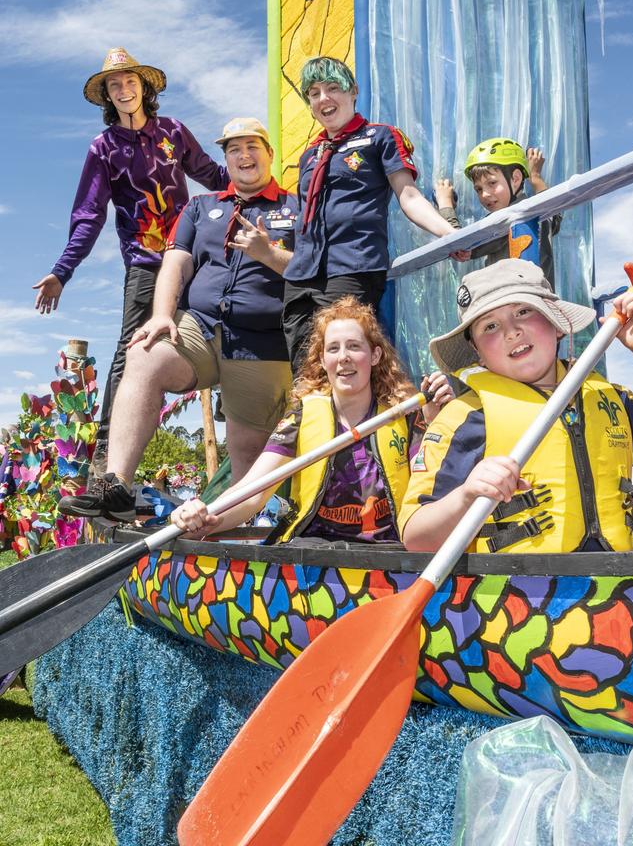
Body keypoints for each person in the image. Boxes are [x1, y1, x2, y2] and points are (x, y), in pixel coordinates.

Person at [59, 118, 296, 522]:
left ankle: (237, 539)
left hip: (261, 344)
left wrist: (268, 254)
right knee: (144, 354)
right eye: (233, 149)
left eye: (252, 146)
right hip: (198, 329)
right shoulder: (202, 207)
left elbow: (310, 272)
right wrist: (161, 315)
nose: (244, 155)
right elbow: (175, 262)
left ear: (269, 154)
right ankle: (115, 484)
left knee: (247, 474)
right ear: (225, 159)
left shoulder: (295, 207)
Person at [400, 259, 633, 554]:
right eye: (490, 326)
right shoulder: (464, 418)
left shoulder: (610, 401)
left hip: (617, 596)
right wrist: (465, 496)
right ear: (477, 352)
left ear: (556, 322)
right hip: (519, 603)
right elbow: (416, 537)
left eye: (524, 311)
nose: (512, 331)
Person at [33, 48, 228, 470]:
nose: (124, 89)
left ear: (145, 88)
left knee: (230, 320)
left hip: (191, 256)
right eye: (115, 85)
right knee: (131, 351)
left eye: (130, 81)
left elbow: (213, 176)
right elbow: (88, 215)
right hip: (145, 264)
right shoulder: (103, 148)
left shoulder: (173, 132)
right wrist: (61, 271)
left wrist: (262, 183)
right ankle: (107, 461)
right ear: (107, 96)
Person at [170, 296, 454, 543]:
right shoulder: (302, 416)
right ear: (323, 359)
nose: (344, 358)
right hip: (314, 551)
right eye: (333, 349)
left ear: (375, 355)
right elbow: (252, 493)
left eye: (354, 346)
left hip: (389, 554)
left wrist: (436, 426)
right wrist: (206, 516)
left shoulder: (407, 415)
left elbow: (437, 490)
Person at [281, 56, 468, 371]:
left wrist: (447, 233)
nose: (323, 98)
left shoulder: (380, 137)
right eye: (313, 92)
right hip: (301, 275)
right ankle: (310, 420)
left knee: (340, 361)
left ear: (353, 92)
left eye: (332, 88)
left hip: (351, 267)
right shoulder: (309, 154)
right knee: (304, 370)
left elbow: (408, 196)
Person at [434, 138, 561, 288]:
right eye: (479, 189)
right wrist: (535, 177)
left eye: (492, 183)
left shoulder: (506, 219)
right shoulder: (540, 212)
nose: (485, 194)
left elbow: (461, 247)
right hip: (542, 302)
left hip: (510, 304)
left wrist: (445, 203)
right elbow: (555, 218)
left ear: (516, 178)